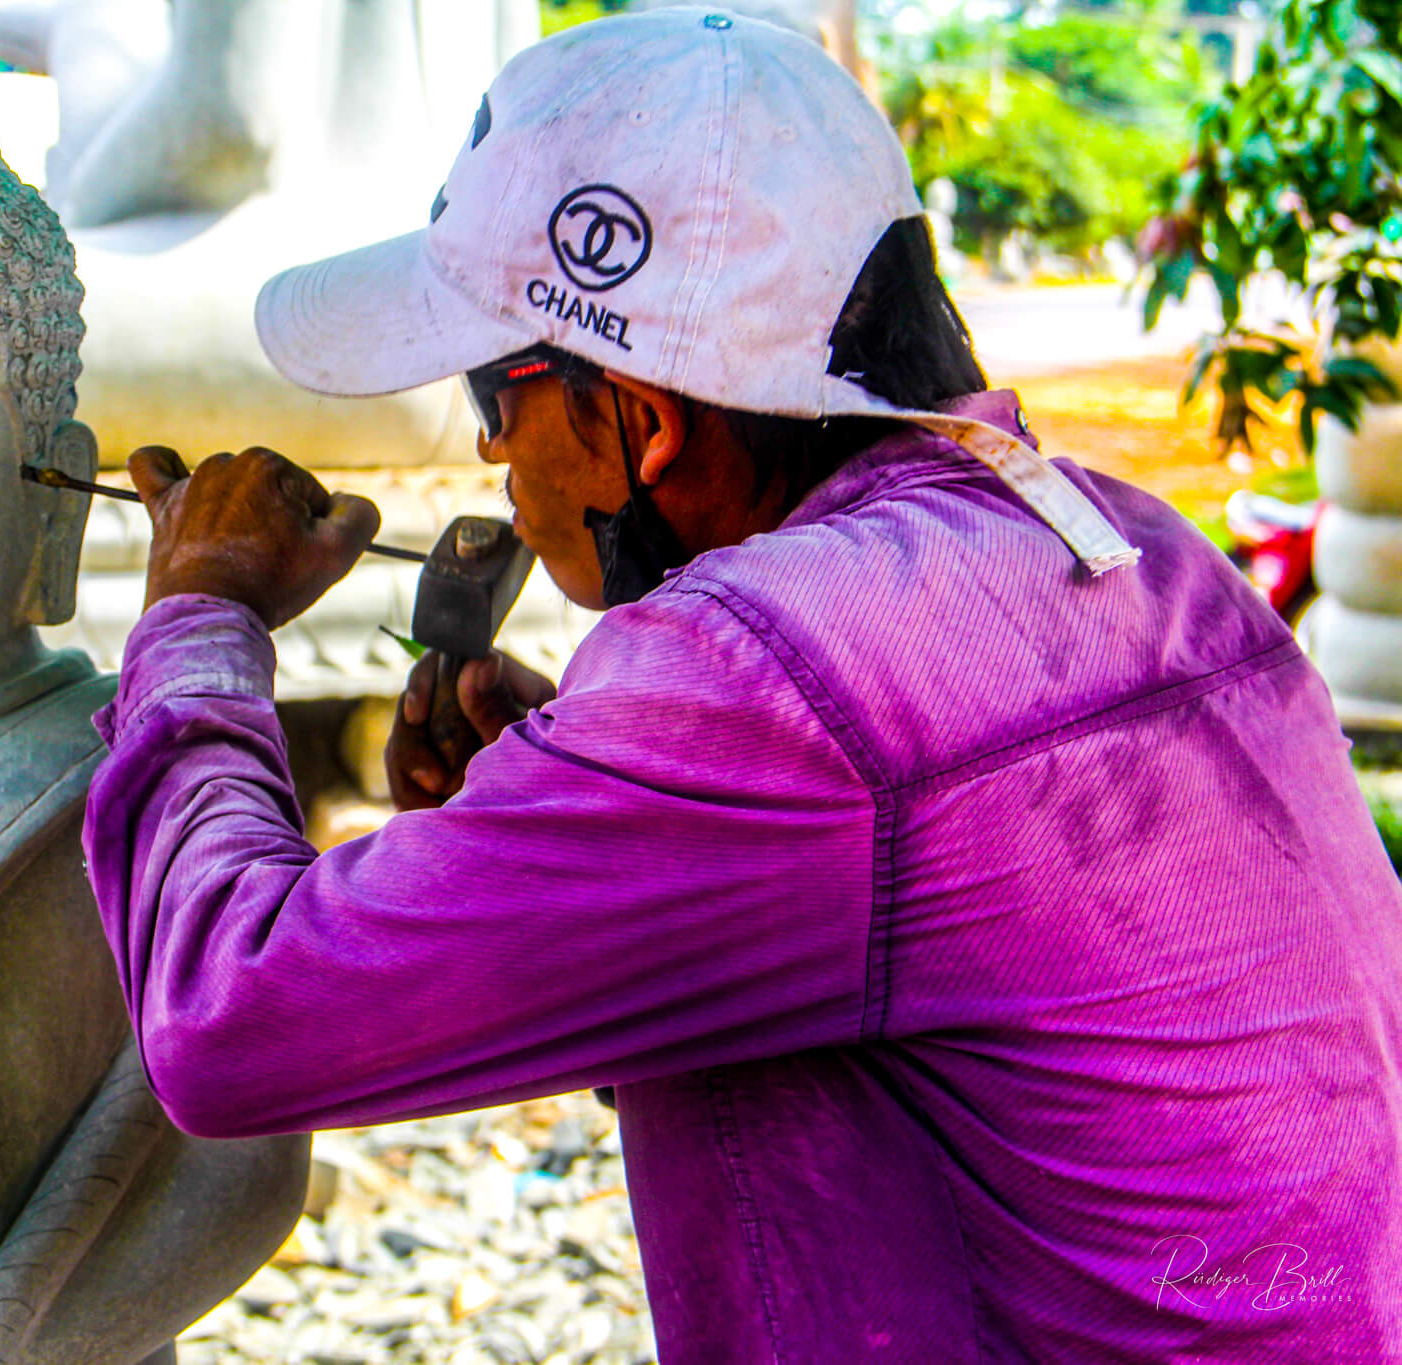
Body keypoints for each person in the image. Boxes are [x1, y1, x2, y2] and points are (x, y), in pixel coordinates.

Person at [83, 11, 1402, 1362]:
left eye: (493, 389)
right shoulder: (1139, 543)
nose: (486, 448)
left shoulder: (770, 670)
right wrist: (588, 795)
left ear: (639, 420)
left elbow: (228, 1016)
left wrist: (202, 612)